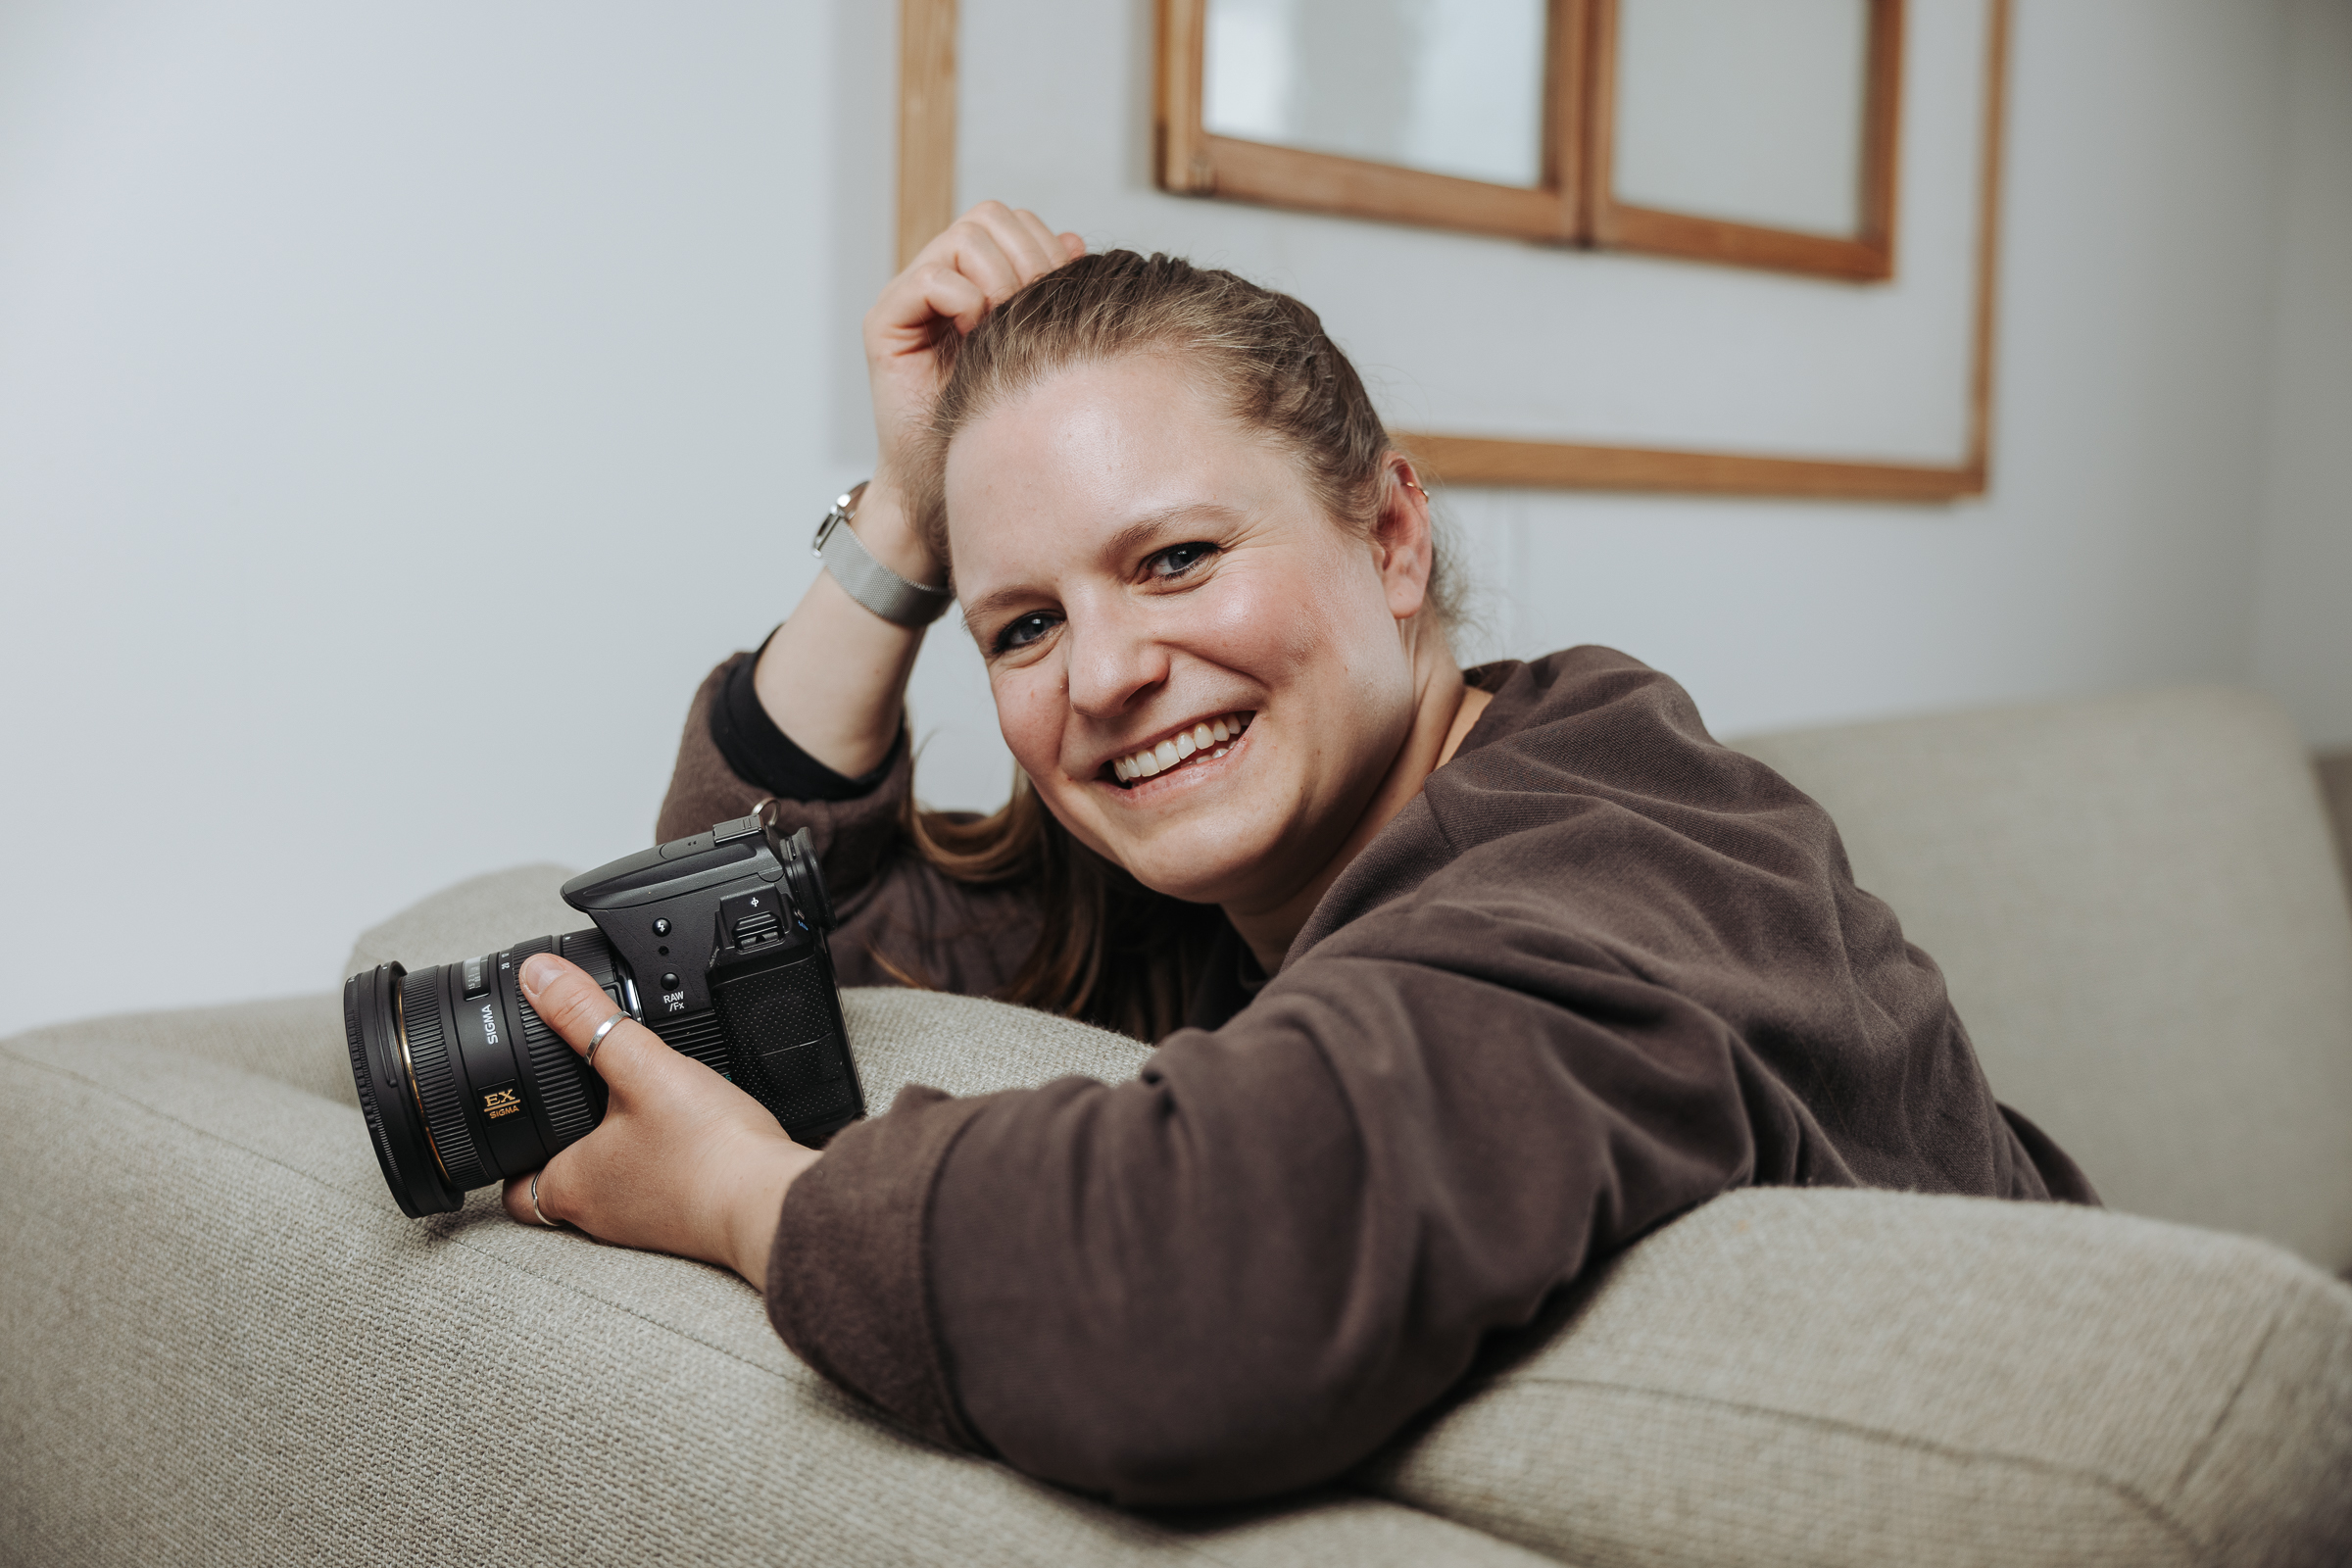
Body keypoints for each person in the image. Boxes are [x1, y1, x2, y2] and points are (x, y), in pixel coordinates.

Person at [502, 201, 2095, 1506]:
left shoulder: (1611, 854)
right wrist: (906, 528)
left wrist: (741, 1203)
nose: (1109, 673)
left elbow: (1185, 1291)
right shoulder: (1212, 892)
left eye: (1178, 557)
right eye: (1028, 624)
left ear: (1391, 537)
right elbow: (737, 947)